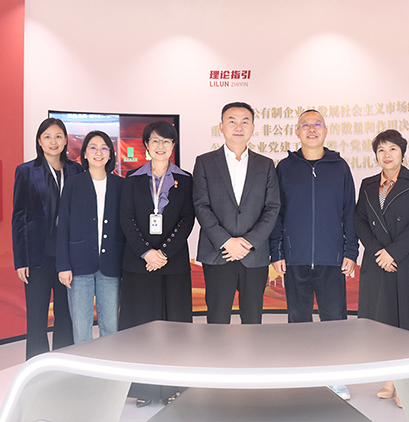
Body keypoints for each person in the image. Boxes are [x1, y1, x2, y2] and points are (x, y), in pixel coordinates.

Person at [269, 109, 358, 400]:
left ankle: (335, 377)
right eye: (305, 125)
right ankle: (302, 375)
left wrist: (351, 251)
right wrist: (276, 251)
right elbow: (276, 213)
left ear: (325, 130)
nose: (311, 129)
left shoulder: (339, 167)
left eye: (317, 124)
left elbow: (350, 212)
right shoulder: (285, 167)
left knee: (334, 320)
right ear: (297, 132)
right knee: (298, 321)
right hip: (295, 259)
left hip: (331, 259)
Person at [354, 129, 409, 407]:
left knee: (407, 324)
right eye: (381, 150)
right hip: (378, 261)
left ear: (402, 152)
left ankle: (407, 385)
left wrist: (393, 253)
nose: (386, 155)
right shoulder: (367, 184)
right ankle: (390, 380)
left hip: (406, 261)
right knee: (383, 323)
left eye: (392, 149)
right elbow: (359, 221)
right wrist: (379, 253)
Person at [119, 120, 195, 406]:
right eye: (155, 141)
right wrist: (146, 252)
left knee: (175, 328)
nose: (160, 146)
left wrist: (162, 252)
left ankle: (174, 386)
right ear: (146, 146)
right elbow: (126, 218)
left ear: (173, 146)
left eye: (166, 141)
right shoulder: (132, 178)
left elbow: (187, 218)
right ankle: (144, 388)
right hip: (139, 264)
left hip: (173, 265)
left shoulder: (185, 179)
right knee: (141, 327)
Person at [193, 102, 280, 325]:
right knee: (217, 318)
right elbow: (201, 205)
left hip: (254, 255)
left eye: (245, 121)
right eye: (232, 121)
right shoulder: (205, 162)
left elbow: (272, 207)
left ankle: (251, 352)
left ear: (253, 128)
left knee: (253, 319)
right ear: (221, 127)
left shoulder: (266, 165)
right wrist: (226, 242)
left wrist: (248, 242)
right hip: (218, 253)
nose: (238, 127)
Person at [12, 118, 81, 360]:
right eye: (48, 136)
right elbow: (19, 217)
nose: (54, 141)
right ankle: (37, 367)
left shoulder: (76, 170)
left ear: (66, 140)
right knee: (36, 317)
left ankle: (64, 364)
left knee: (66, 315)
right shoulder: (26, 171)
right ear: (39, 141)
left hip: (68, 257)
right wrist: (21, 260)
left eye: (58, 136)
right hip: (36, 257)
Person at [57, 130, 125, 344]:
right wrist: (63, 265)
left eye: (104, 148)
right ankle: (84, 365)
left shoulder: (120, 185)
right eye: (93, 148)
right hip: (78, 266)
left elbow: (126, 226)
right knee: (81, 329)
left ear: (110, 153)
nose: (98, 153)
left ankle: (109, 363)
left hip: (111, 265)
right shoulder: (73, 184)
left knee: (111, 327)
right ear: (84, 154)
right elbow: (63, 225)